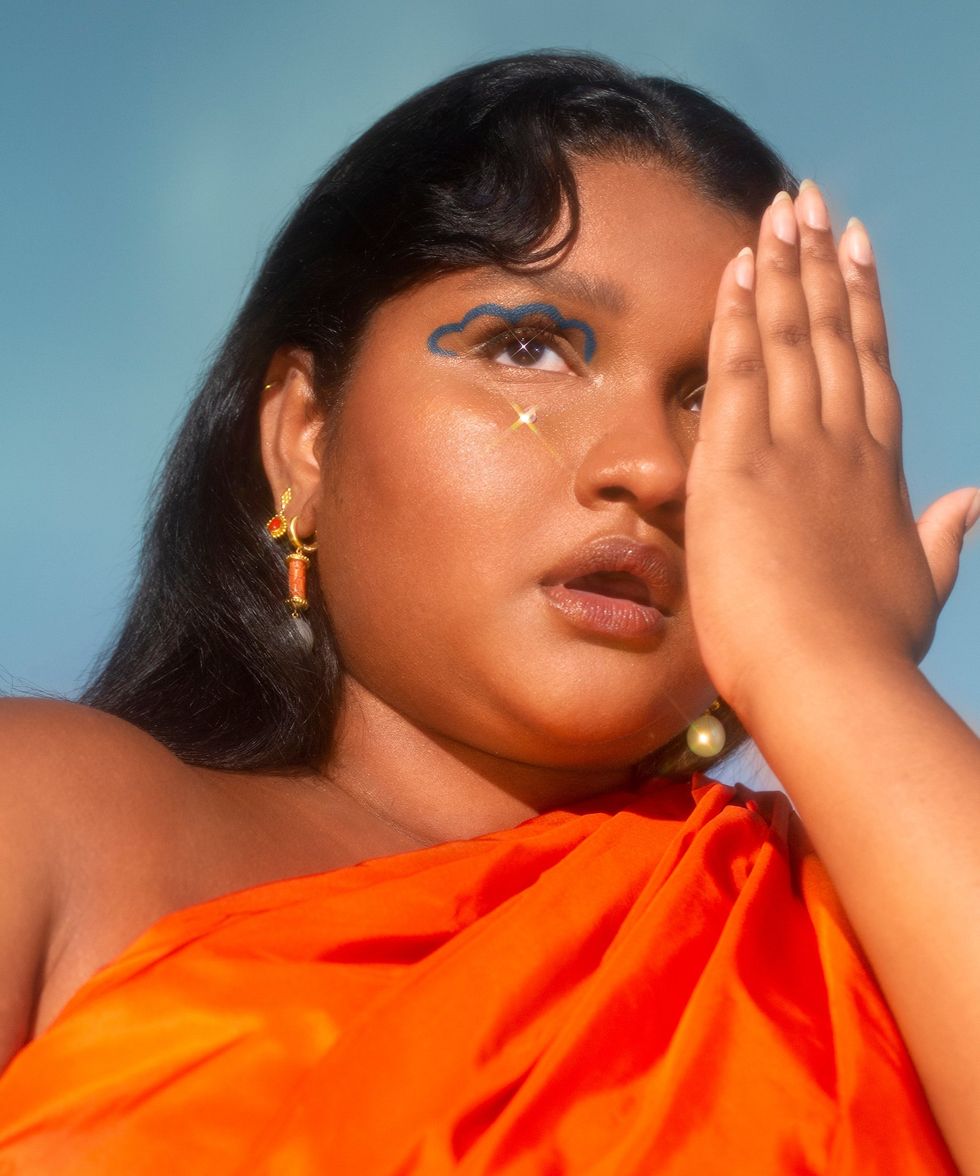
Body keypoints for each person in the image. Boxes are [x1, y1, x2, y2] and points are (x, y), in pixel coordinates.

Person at [0, 49, 976, 1174]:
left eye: (716, 397)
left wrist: (834, 665)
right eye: (529, 347)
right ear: (305, 437)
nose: (651, 467)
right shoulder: (59, 822)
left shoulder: (860, 922)